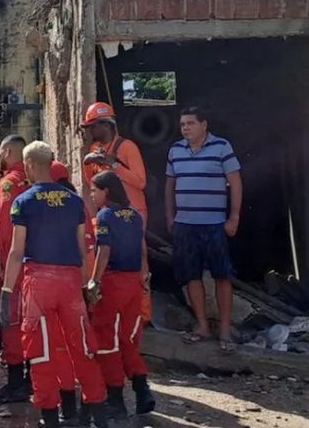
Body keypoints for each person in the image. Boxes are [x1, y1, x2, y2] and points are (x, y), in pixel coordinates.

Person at [0, 141, 109, 428]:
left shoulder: (23, 201)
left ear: (28, 165)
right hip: (71, 281)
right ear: (50, 164)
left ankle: (50, 418)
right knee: (82, 348)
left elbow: (16, 251)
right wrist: (86, 286)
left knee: (41, 352)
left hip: (38, 283)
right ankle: (99, 415)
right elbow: (83, 250)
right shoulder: (74, 202)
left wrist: (6, 292)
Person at [165, 107, 242, 351]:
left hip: (214, 224)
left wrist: (234, 217)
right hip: (185, 224)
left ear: (204, 125)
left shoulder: (221, 147)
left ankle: (225, 330)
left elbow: (236, 183)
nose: (185, 128)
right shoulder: (175, 150)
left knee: (222, 276)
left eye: (190, 123)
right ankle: (202, 326)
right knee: (191, 276)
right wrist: (170, 217)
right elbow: (169, 186)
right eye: (182, 124)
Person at [88, 171, 156, 419]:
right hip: (134, 283)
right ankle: (142, 389)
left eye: (94, 190)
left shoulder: (104, 216)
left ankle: (115, 399)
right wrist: (145, 278)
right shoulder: (135, 216)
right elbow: (142, 251)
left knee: (107, 340)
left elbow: (104, 251)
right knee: (128, 338)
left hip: (113, 283)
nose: (92, 195)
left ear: (106, 191)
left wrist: (94, 282)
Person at [80, 102, 152, 323]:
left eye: (92, 127)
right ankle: (112, 308)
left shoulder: (127, 147)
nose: (89, 132)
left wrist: (113, 165)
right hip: (109, 214)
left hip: (134, 211)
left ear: (105, 125)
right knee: (108, 260)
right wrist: (87, 161)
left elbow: (140, 182)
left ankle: (142, 314)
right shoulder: (95, 149)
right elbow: (91, 183)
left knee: (138, 260)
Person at [0, 134, 31, 400]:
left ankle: (15, 384)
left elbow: (4, 223)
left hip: (14, 258)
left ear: (6, 152)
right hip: (37, 259)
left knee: (11, 319)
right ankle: (32, 379)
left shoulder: (9, 183)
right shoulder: (36, 181)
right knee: (32, 320)